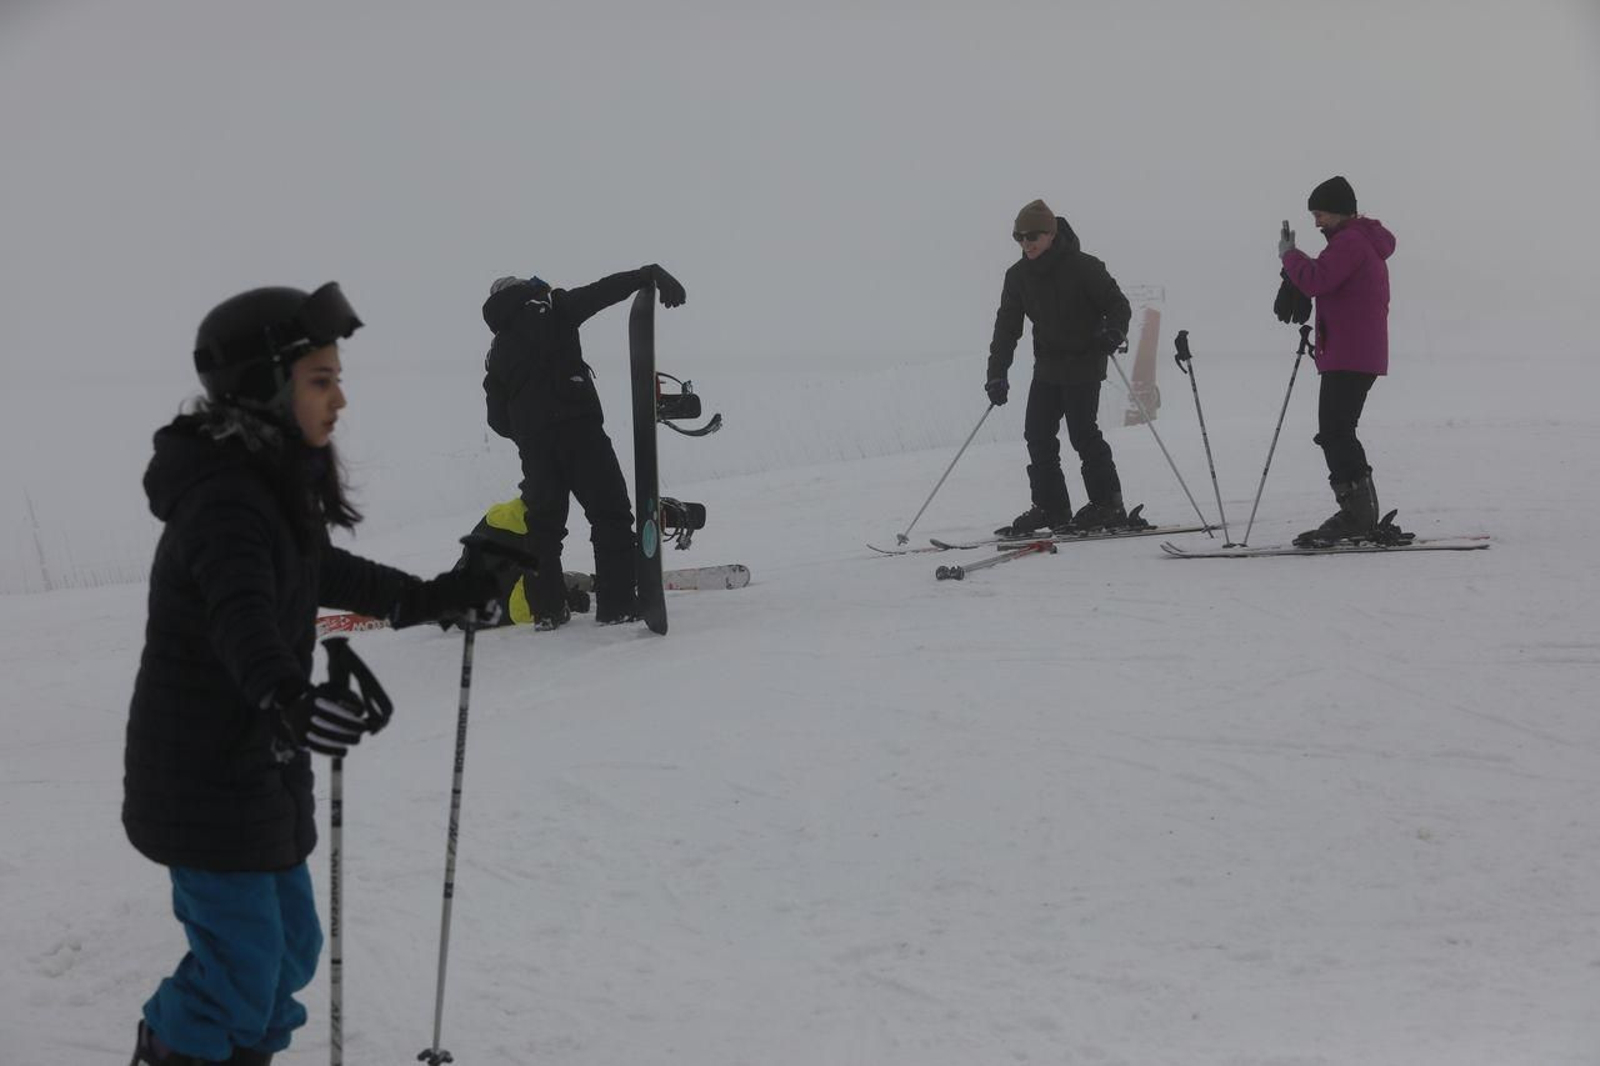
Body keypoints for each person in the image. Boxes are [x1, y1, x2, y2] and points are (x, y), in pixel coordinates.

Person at [124, 283, 501, 1066]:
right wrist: (286, 694)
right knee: (242, 968)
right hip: (204, 778)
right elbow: (243, 617)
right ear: (264, 388)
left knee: (288, 952)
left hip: (258, 766)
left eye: (337, 379)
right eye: (320, 380)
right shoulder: (223, 502)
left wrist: (431, 597)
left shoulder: (267, 490)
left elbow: (321, 571)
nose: (340, 400)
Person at [480, 264, 686, 627]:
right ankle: (618, 603)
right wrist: (644, 275)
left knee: (543, 528)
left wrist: (528, 431)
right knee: (610, 514)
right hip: (579, 431)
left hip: (535, 447)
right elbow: (600, 292)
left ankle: (547, 610)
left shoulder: (497, 353)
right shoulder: (551, 308)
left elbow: (497, 420)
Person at [986, 198, 1133, 535]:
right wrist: (996, 373)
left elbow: (1117, 304)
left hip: (1085, 360)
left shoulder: (1084, 267)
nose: (1026, 243)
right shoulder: (1018, 276)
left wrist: (1114, 330)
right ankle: (1052, 508)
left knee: (1083, 433)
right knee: (1037, 435)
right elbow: (1006, 328)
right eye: (1019, 238)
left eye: (1032, 236)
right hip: (1048, 366)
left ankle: (1108, 504)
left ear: (1051, 234)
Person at [1278, 175, 1397, 544]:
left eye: (1321, 214)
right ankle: (1359, 513)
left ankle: (1356, 516)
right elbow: (1325, 279)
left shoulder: (1349, 241)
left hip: (1349, 353)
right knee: (1338, 431)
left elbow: (1318, 280)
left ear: (1340, 212)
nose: (1317, 222)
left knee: (1335, 432)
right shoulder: (1357, 241)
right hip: (1355, 352)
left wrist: (1290, 256)